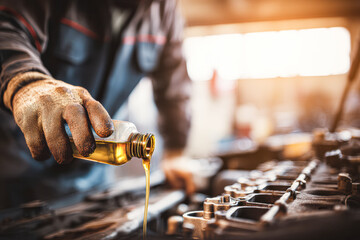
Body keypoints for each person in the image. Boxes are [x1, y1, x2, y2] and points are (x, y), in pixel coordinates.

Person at [0, 0, 194, 209]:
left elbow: (174, 82)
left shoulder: (164, 9)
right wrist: (26, 82)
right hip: (13, 172)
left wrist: (176, 151)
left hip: (92, 172)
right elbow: (7, 27)